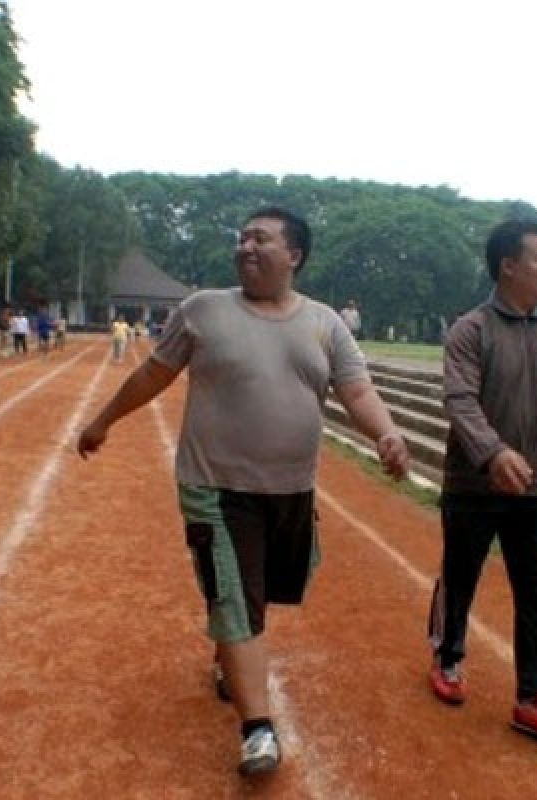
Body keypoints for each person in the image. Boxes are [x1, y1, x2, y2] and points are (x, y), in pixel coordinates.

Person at [77, 207, 409, 776]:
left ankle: (226, 648)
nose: (247, 246)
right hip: (215, 487)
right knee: (234, 596)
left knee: (264, 591)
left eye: (262, 238)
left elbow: (356, 391)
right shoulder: (203, 309)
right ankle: (258, 729)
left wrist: (386, 432)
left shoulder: (325, 323)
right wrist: (104, 418)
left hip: (291, 491)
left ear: (294, 255)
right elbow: (154, 373)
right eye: (243, 237)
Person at [425, 217, 537, 746]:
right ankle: (447, 656)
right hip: (474, 486)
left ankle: (536, 696)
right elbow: (459, 401)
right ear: (508, 265)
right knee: (460, 575)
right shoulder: (471, 331)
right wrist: (492, 453)